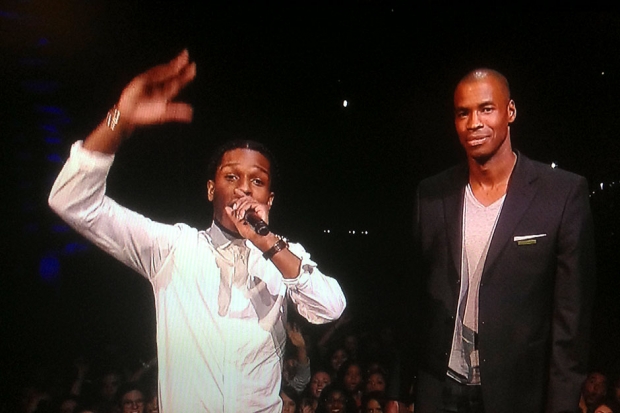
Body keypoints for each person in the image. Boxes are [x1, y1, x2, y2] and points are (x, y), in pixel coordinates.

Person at [48, 50, 346, 413]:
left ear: (270, 196)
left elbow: (329, 308)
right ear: (210, 189)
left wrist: (265, 242)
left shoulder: (283, 256)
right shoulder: (173, 247)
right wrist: (121, 121)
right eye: (231, 176)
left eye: (257, 181)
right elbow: (72, 201)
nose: (243, 189)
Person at [412, 68, 595, 413]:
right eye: (463, 113)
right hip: (441, 389)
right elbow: (414, 299)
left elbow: (571, 319)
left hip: (519, 394)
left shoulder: (561, 194)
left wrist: (563, 403)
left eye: (486, 109)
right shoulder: (432, 194)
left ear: (509, 111)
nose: (474, 123)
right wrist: (399, 386)